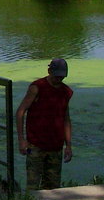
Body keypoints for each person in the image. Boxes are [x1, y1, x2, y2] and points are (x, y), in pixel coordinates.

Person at [15, 58, 73, 190]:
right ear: (49, 71)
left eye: (62, 76)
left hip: (56, 147)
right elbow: (20, 112)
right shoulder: (37, 88)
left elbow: (66, 119)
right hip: (35, 146)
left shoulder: (65, 92)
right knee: (33, 186)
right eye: (56, 76)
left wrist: (68, 145)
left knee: (53, 188)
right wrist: (21, 139)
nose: (59, 79)